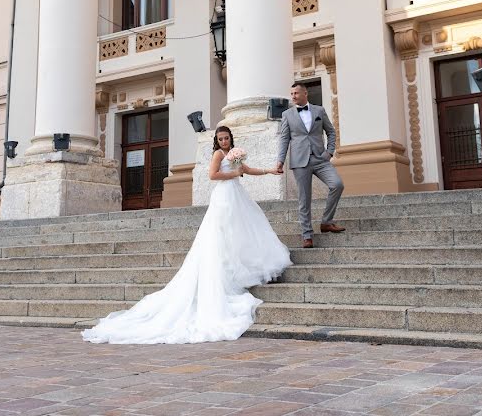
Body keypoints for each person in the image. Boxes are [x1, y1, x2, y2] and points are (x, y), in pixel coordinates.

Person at [82, 126, 290, 344]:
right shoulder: (218, 154)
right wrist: (234, 174)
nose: (224, 142)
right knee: (224, 232)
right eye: (220, 139)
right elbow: (213, 175)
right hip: (224, 196)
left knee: (243, 229)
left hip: (237, 194)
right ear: (217, 141)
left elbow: (246, 169)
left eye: (226, 138)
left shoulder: (234, 153)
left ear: (231, 138)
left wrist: (268, 171)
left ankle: (241, 265)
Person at [275, 82, 345, 249]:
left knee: (337, 184)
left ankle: (326, 222)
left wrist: (329, 151)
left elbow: (331, 131)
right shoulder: (287, 114)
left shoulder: (319, 111)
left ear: (305, 93)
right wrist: (280, 160)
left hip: (321, 159)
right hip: (300, 161)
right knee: (304, 199)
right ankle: (307, 235)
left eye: (296, 93)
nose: (293, 96)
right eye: (291, 93)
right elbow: (284, 139)